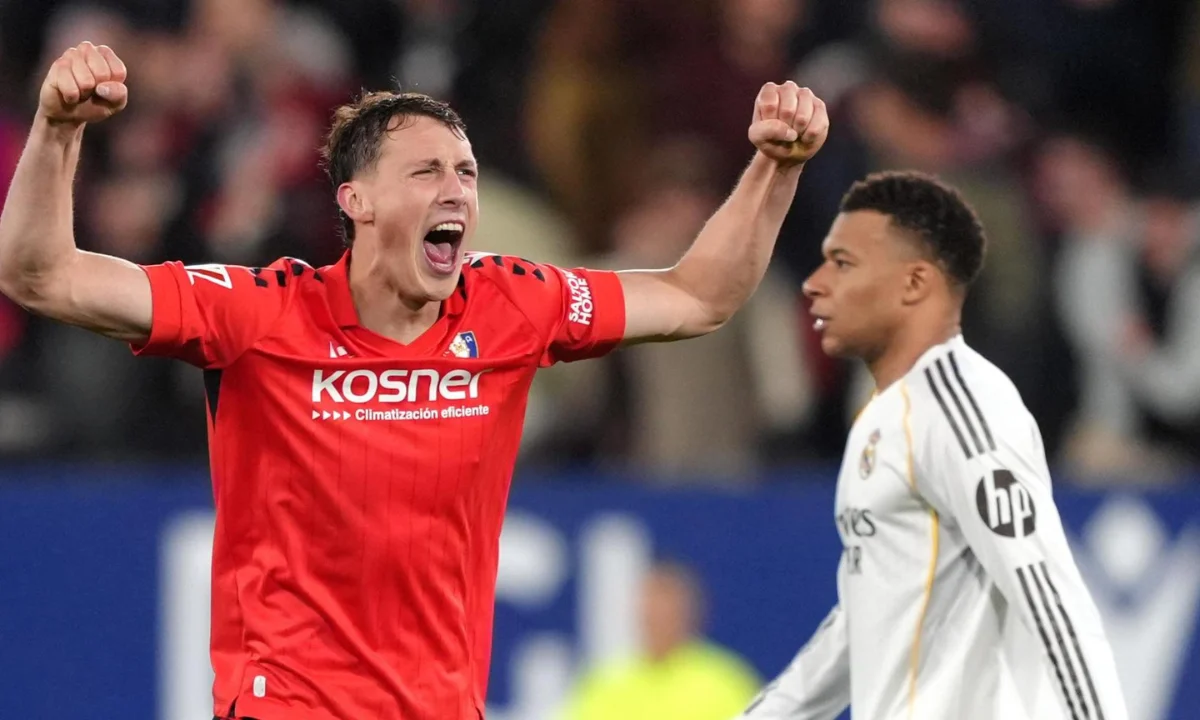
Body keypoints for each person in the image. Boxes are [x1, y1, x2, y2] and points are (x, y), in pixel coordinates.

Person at [0, 43, 829, 720]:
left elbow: (697, 296)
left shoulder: (512, 304)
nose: (458, 192)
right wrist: (57, 130)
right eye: (427, 172)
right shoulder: (257, 313)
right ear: (356, 200)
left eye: (466, 173)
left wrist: (775, 171)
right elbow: (42, 277)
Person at [740, 172, 1127, 720]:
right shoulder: (881, 419)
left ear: (914, 284)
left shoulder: (962, 409)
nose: (815, 282)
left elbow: (1049, 595)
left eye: (843, 263)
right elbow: (862, 625)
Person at [561, 561, 761, 720]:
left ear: (689, 614)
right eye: (651, 611)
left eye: (667, 612)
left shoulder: (725, 683)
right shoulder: (606, 683)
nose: (658, 620)